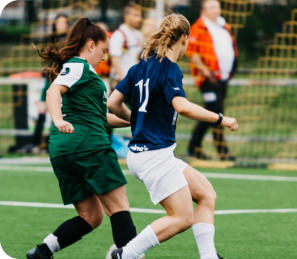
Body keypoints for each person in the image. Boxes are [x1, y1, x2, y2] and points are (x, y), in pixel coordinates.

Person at [107, 13, 238, 259]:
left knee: (206, 194)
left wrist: (134, 120)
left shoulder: (139, 66)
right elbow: (183, 106)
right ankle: (125, 255)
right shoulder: (170, 70)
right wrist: (221, 119)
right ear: (185, 39)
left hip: (147, 153)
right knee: (182, 217)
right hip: (154, 156)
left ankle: (208, 257)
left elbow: (113, 102)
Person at [27, 18, 138, 259]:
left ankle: (42, 251)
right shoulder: (78, 66)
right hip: (88, 145)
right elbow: (53, 91)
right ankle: (128, 256)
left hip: (63, 150)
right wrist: (57, 119)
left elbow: (100, 117)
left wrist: (133, 121)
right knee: (119, 207)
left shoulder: (83, 73)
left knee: (92, 216)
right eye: (103, 50)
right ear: (90, 45)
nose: (104, 57)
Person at [186, 0, 238, 160]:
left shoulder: (223, 26)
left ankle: (212, 149)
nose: (216, 10)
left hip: (222, 78)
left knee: (217, 111)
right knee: (213, 111)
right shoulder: (198, 28)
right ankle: (202, 147)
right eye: (211, 7)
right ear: (203, 10)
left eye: (217, 6)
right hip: (208, 78)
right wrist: (206, 72)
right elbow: (192, 53)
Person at [33, 14, 70, 153]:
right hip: (50, 81)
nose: (62, 25)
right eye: (59, 23)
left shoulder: (71, 41)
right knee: (42, 110)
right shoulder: (50, 40)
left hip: (63, 82)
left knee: (58, 112)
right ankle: (35, 143)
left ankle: (52, 144)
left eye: (64, 23)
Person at [109, 2, 143, 85]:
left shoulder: (138, 34)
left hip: (135, 80)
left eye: (140, 15)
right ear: (126, 16)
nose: (139, 19)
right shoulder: (119, 34)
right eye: (136, 15)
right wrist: (123, 81)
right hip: (121, 81)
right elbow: (114, 58)